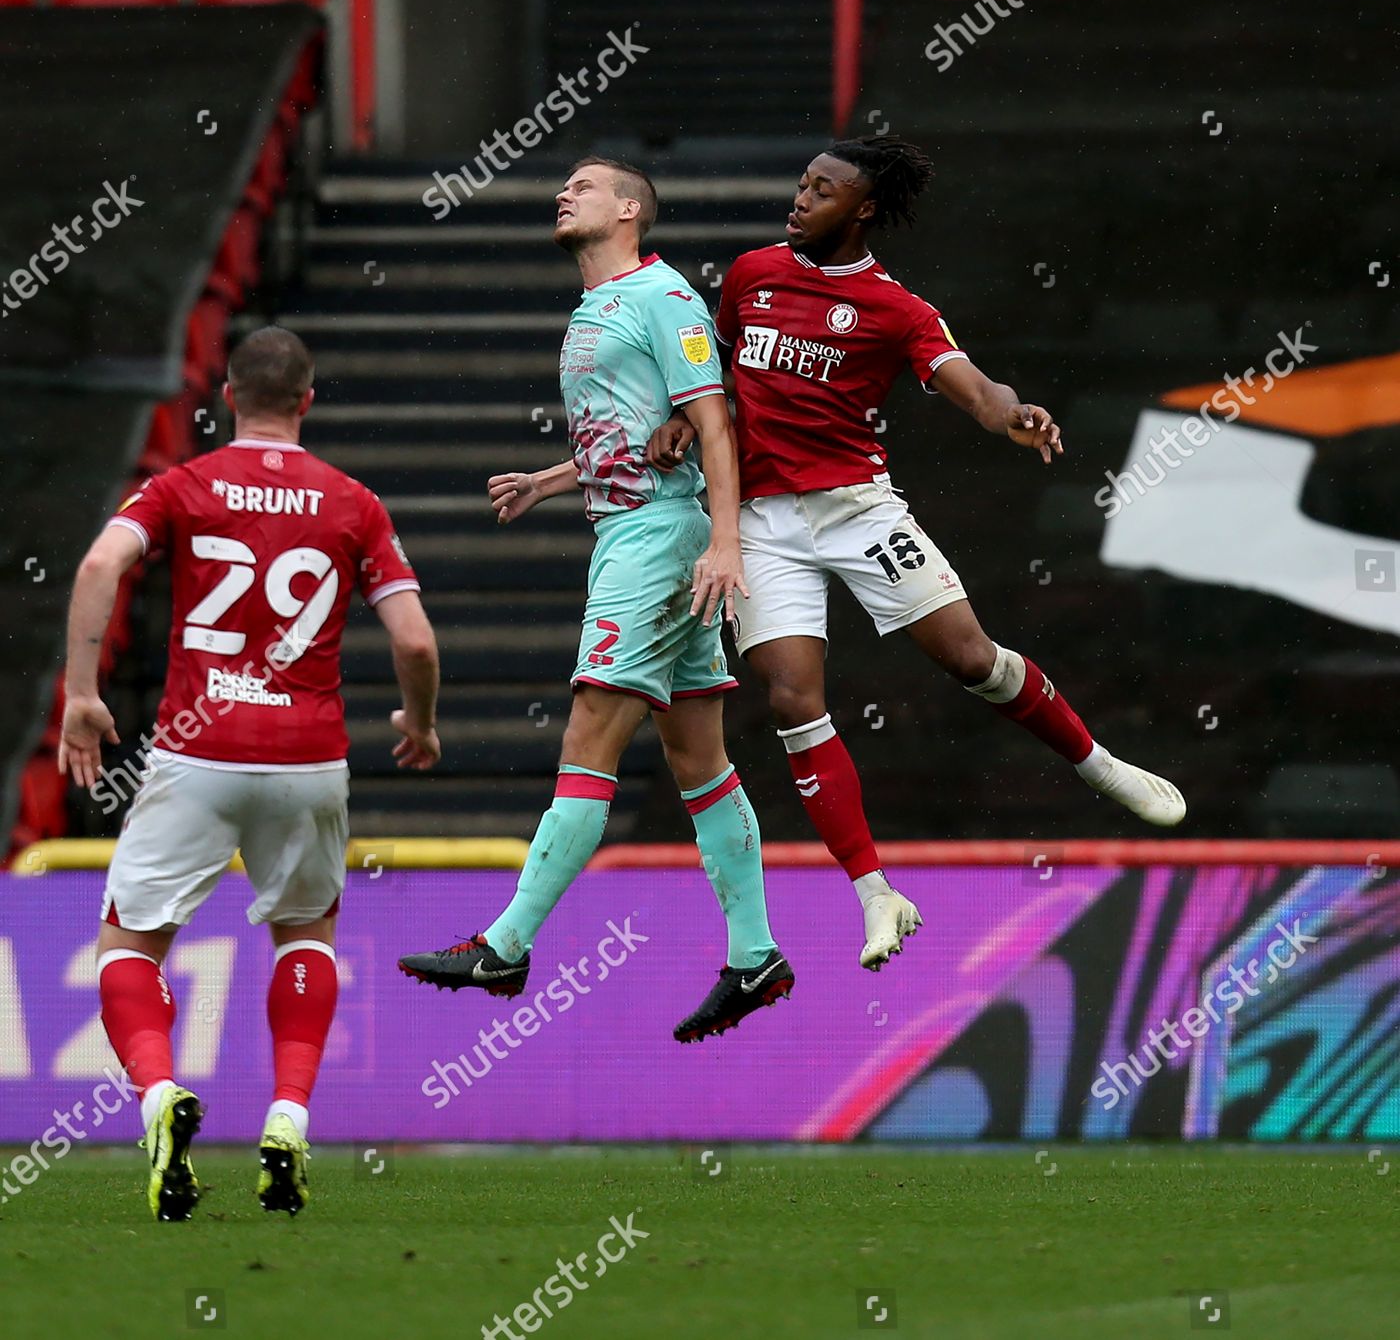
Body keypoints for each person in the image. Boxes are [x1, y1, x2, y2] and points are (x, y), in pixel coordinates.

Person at [646, 136, 1186, 968]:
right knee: (792, 701)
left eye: (822, 190)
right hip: (759, 522)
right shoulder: (753, 273)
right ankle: (877, 895)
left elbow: (974, 387)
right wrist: (686, 417)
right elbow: (715, 376)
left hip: (858, 511)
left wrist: (1013, 413)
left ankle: (1098, 763)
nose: (801, 198)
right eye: (801, 184)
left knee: (972, 659)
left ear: (862, 209)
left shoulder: (898, 310)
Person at [397, 158, 793, 1044]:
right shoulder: (593, 308)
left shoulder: (664, 298)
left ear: (629, 210)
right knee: (699, 759)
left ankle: (506, 945)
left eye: (584, 185)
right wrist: (547, 479)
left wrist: (725, 543)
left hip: (658, 540)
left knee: (588, 736)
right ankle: (755, 953)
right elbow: (631, 434)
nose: (564, 193)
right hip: (635, 529)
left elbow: (715, 422)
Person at [59, 326, 440, 1220]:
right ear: (308, 401)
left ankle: (158, 1097)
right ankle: (288, 1119)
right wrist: (417, 723)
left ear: (228, 395)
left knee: (131, 945)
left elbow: (98, 564)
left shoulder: (183, 484)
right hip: (308, 758)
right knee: (306, 936)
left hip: (198, 750)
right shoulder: (353, 502)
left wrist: (82, 693)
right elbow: (415, 639)